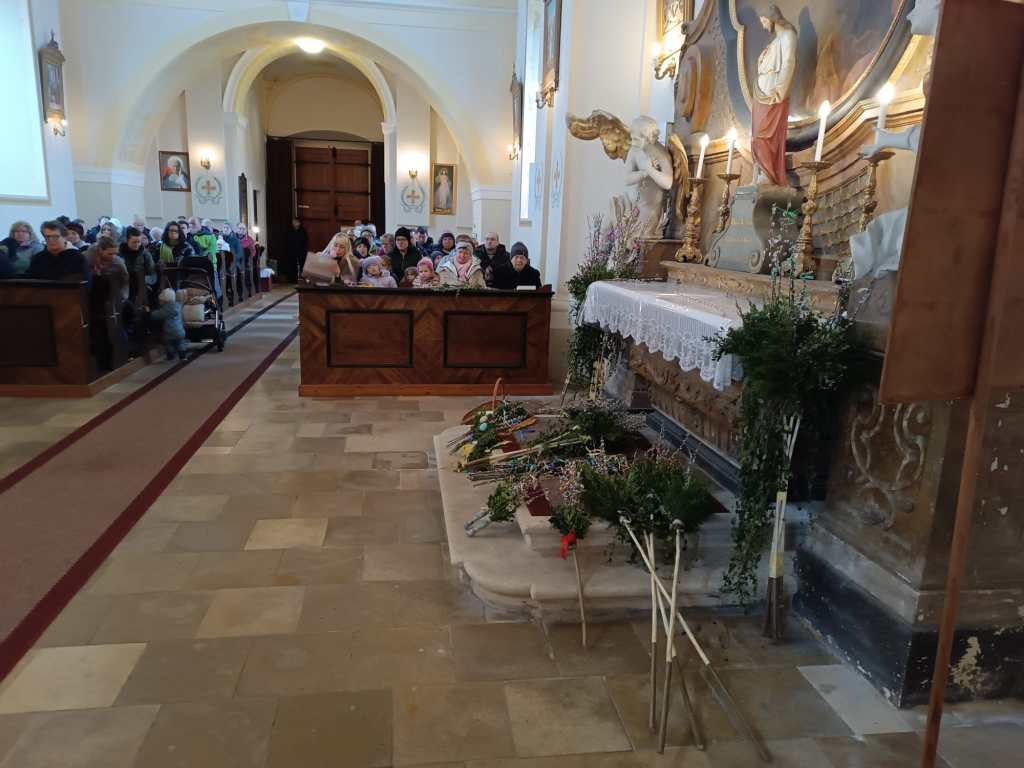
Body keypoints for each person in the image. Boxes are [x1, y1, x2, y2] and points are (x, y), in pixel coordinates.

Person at [752, 4, 797, 187]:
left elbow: (788, 63)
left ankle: (769, 175)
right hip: (761, 96)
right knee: (756, 136)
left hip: (773, 96)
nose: (763, 25)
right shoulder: (773, 43)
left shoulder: (788, 35)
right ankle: (760, 173)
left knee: (765, 135)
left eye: (763, 20)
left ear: (771, 17)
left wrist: (780, 92)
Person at [149, 287, 189, 360]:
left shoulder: (166, 309)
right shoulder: (178, 306)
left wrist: (149, 312)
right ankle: (182, 355)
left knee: (169, 344)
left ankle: (170, 356)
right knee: (180, 343)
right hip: (180, 331)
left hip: (169, 332)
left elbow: (156, 315)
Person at [87, 235, 130, 302]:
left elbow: (125, 280)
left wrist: (123, 296)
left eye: (115, 254)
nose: (113, 256)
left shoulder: (118, 262)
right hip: (92, 294)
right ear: (100, 250)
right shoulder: (88, 259)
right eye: (110, 254)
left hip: (113, 294)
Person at [120, 226, 157, 300]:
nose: (137, 244)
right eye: (134, 242)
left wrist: (142, 280)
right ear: (127, 240)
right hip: (123, 285)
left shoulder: (145, 255)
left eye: (139, 242)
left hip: (140, 286)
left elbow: (152, 275)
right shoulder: (119, 253)